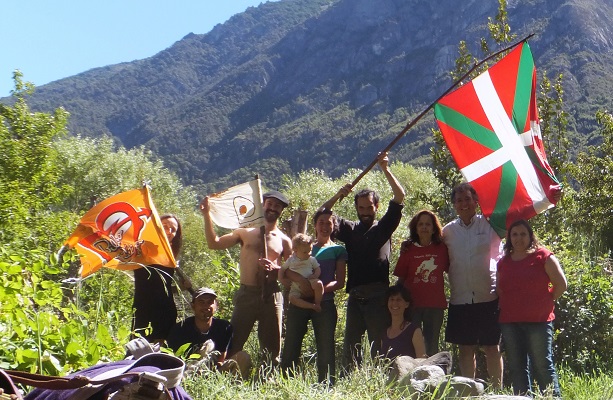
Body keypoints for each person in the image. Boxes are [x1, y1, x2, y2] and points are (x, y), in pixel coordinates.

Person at [320, 151, 405, 371]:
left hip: (378, 296)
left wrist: (385, 169)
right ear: (356, 208)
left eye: (369, 207)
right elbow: (323, 213)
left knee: (380, 346)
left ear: (376, 207)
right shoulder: (349, 229)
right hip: (355, 296)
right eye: (361, 208)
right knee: (351, 348)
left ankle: (382, 382)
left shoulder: (384, 227)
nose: (365, 212)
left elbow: (399, 196)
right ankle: (351, 385)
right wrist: (339, 194)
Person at [200, 190, 292, 366]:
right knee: (233, 341)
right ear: (262, 204)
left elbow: (292, 272)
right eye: (270, 204)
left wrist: (276, 269)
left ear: (282, 211)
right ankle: (227, 374)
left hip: (272, 295)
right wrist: (206, 216)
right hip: (247, 293)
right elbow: (214, 244)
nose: (273, 208)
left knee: (272, 346)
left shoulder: (284, 240)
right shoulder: (245, 231)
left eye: (277, 206)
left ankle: (267, 380)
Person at [442, 183, 504, 388]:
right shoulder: (447, 232)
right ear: (454, 205)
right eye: (459, 200)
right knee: (465, 349)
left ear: (476, 202)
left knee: (492, 348)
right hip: (460, 298)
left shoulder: (489, 225)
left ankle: (496, 391)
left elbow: (503, 256)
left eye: (467, 199)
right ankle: (470, 390)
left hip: (488, 296)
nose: (464, 204)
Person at [497, 220, 567, 397]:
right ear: (509, 238)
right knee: (517, 367)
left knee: (543, 366)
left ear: (530, 236)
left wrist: (546, 300)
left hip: (539, 321)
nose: (518, 238)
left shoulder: (543, 256)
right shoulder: (503, 262)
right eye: (514, 234)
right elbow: (499, 289)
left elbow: (561, 284)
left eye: (523, 234)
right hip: (510, 322)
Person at [280, 209, 348, 385]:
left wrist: (319, 289)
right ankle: (286, 384)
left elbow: (339, 282)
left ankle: (326, 385)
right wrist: (301, 282)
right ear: (315, 225)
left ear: (334, 226)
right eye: (321, 222)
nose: (325, 226)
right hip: (298, 304)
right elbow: (287, 270)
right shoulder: (304, 246)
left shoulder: (338, 250)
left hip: (324, 304)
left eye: (329, 222)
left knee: (326, 347)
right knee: (291, 345)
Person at [394, 210, 449, 356]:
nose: (424, 227)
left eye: (428, 224)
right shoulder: (408, 249)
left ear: (433, 228)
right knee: (412, 345)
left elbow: (450, 269)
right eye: (421, 224)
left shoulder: (442, 248)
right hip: (413, 305)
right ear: (415, 228)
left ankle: (432, 377)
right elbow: (401, 278)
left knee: (431, 346)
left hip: (435, 305)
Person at [166, 287, 252, 380]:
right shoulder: (180, 328)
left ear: (216, 306)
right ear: (193, 306)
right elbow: (173, 359)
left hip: (215, 372)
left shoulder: (224, 327)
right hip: (187, 373)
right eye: (201, 302)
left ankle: (235, 389)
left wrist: (211, 371)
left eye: (210, 302)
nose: (206, 306)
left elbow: (221, 359)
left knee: (243, 357)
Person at [132, 214, 187, 344]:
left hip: (165, 311)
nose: (169, 231)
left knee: (160, 354)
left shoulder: (171, 259)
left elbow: (162, 288)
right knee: (137, 351)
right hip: (143, 309)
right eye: (165, 226)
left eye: (173, 229)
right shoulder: (141, 250)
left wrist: (181, 287)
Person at [380, 285, 427, 360]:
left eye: (398, 300)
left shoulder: (414, 331)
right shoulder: (385, 332)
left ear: (407, 304)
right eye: (392, 299)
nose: (394, 303)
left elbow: (422, 361)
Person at [280, 233, 324, 311]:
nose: (309, 254)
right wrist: (281, 279)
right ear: (295, 250)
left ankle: (317, 303)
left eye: (310, 251)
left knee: (319, 284)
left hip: (310, 280)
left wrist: (315, 276)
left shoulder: (311, 259)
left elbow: (318, 268)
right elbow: (282, 269)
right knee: (292, 298)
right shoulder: (291, 260)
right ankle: (311, 306)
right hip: (295, 286)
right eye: (305, 252)